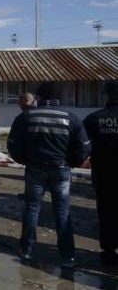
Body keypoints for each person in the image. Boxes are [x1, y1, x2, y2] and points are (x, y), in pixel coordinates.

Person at [7, 83, 91, 268]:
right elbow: (84, 148)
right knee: (62, 211)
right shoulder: (71, 118)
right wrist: (72, 162)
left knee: (32, 208)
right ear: (59, 98)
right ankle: (67, 256)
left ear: (38, 97)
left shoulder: (26, 117)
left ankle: (27, 250)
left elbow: (12, 145)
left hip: (35, 169)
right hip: (61, 169)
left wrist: (24, 160)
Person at [83, 80, 118, 266]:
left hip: (104, 174)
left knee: (106, 213)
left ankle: (110, 251)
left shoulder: (93, 119)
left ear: (107, 95)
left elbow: (82, 146)